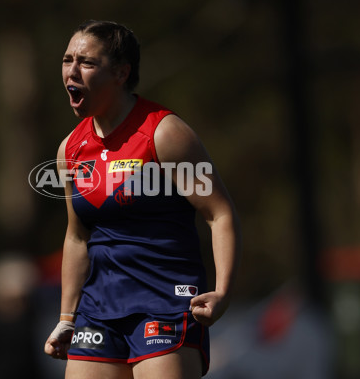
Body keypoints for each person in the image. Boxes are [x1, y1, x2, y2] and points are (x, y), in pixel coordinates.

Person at [43, 20, 241, 378]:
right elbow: (77, 236)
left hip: (165, 304)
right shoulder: (70, 149)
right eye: (67, 59)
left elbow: (219, 214)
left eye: (87, 62)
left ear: (121, 73)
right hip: (98, 309)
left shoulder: (164, 133)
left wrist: (223, 292)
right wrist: (66, 318)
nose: (72, 71)